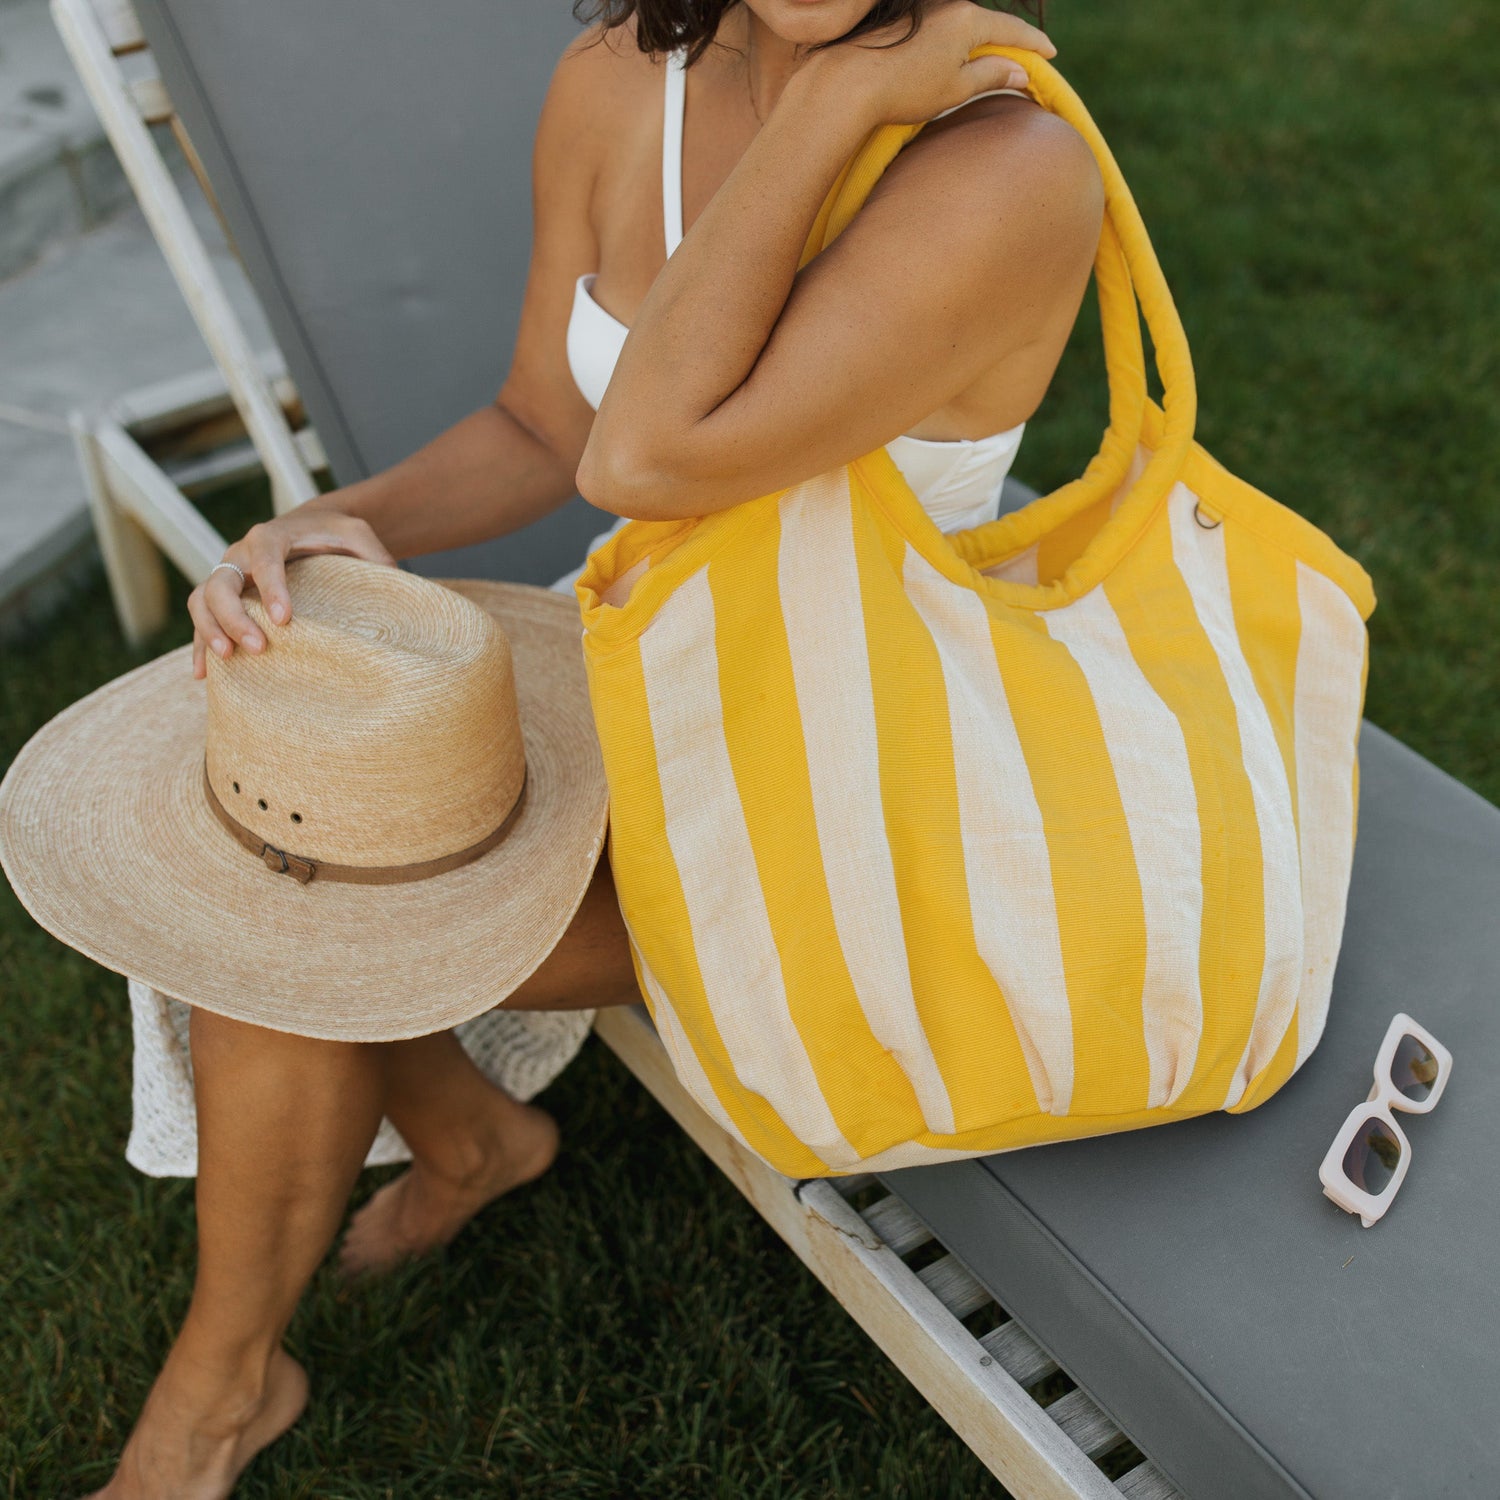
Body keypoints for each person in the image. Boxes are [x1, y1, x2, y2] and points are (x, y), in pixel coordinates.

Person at [100, 0, 1102, 1493]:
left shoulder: (1005, 161)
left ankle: (213, 1401)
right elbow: (543, 419)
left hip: (857, 763)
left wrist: (833, 110)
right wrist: (318, 521)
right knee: (277, 824)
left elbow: (645, 455)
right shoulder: (628, 77)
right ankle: (446, 1156)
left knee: (294, 916)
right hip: (640, 653)